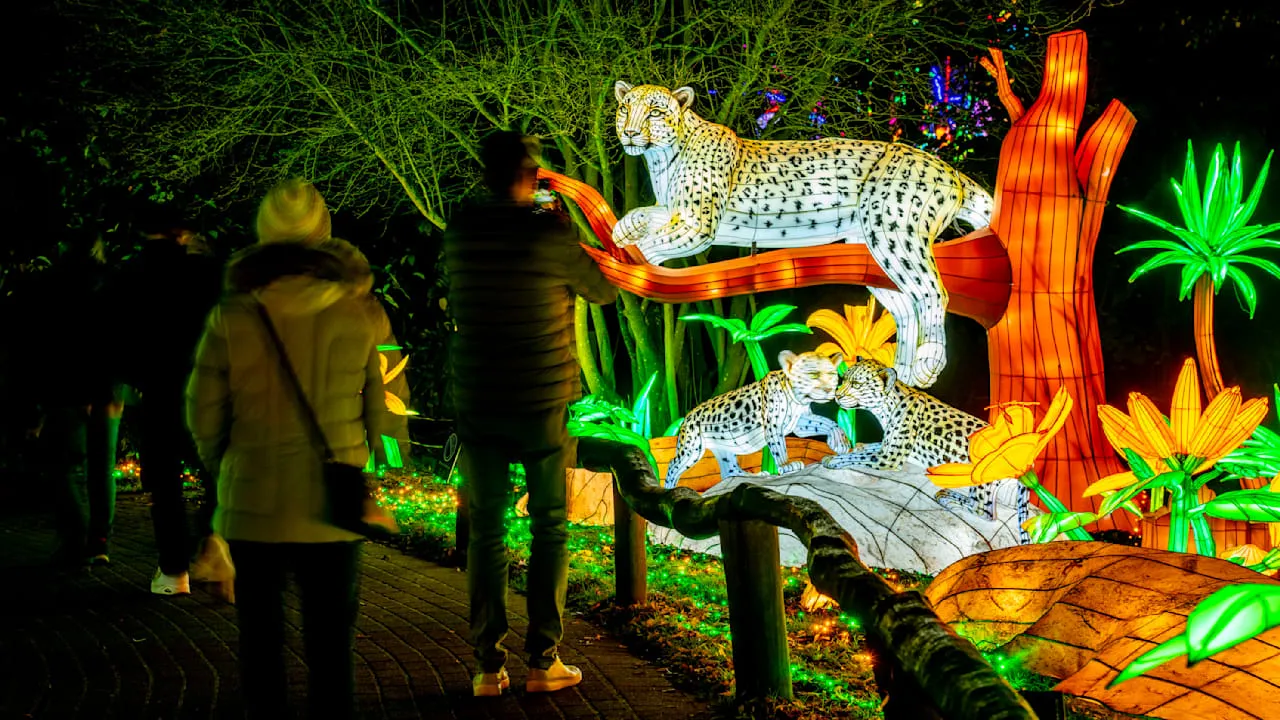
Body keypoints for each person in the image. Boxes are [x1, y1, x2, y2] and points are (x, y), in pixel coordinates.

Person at [186, 178, 398, 719]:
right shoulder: (358, 312)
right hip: (333, 505)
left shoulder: (233, 314)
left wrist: (226, 468)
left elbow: (203, 412)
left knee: (260, 645)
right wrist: (370, 462)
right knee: (332, 649)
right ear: (322, 233)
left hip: (252, 501)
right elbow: (383, 406)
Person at [444, 131, 619, 697]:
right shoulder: (549, 233)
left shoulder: (461, 232)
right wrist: (563, 220)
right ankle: (543, 661)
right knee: (549, 528)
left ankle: (485, 667)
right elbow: (603, 291)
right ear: (528, 174)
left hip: (479, 399)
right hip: (541, 402)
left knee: (486, 533)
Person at [98, 212, 226, 594]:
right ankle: (213, 542)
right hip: (205, 386)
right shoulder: (207, 274)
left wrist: (131, 379)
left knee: (166, 484)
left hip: (157, 391)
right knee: (214, 471)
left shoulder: (130, 276)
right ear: (183, 234)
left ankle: (173, 570)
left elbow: (114, 338)